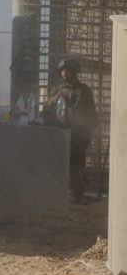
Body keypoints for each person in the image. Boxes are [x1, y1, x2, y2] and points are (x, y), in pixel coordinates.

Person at [46, 58, 98, 203]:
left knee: (76, 169)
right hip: (59, 135)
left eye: (68, 70)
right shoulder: (57, 90)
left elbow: (92, 117)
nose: (65, 73)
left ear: (75, 72)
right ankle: (57, 196)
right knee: (57, 167)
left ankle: (77, 197)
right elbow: (47, 109)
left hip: (77, 135)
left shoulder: (84, 91)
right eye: (63, 70)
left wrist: (86, 135)